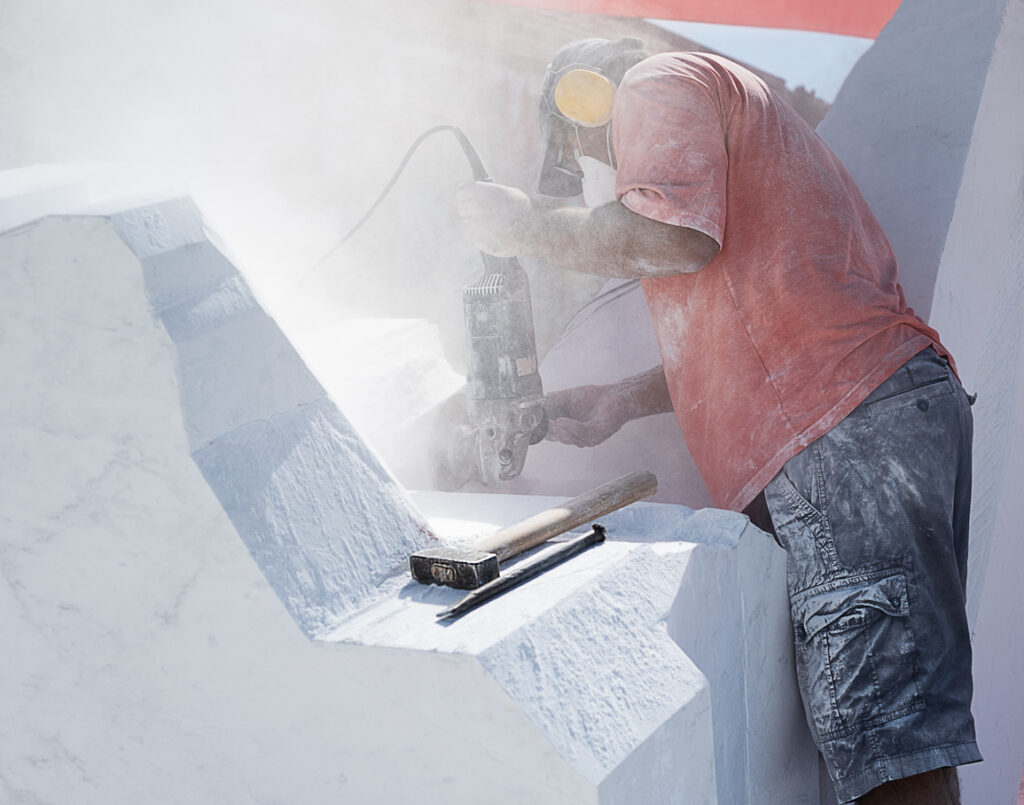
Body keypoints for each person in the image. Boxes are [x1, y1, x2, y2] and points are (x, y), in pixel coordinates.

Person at [455, 36, 981, 805]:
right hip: (867, 422)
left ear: (582, 98)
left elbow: (674, 238)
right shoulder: (737, 121)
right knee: (898, 738)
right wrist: (623, 400)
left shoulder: (653, 81)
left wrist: (527, 227)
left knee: (890, 747)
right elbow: (756, 318)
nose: (615, 177)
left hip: (842, 437)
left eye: (588, 153)